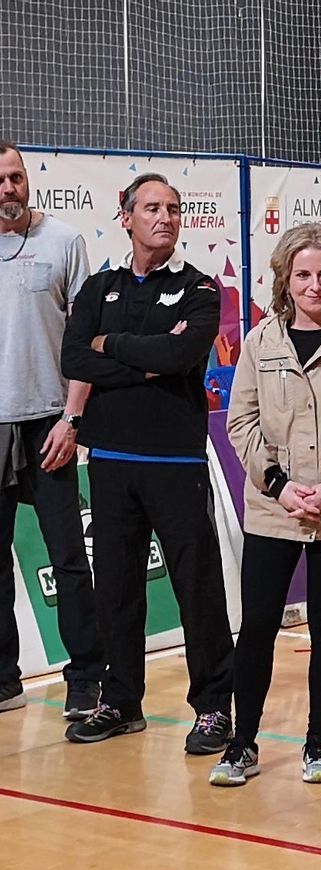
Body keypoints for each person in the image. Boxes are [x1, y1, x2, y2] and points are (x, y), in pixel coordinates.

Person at [209, 223, 321, 787]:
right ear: (285, 280)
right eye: (304, 274)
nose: (315, 286)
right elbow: (240, 421)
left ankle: (318, 744)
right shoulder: (261, 340)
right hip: (273, 507)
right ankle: (242, 745)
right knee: (259, 624)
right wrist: (280, 485)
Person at [59, 172, 235, 753]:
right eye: (152, 208)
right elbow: (74, 356)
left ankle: (212, 708)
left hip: (176, 462)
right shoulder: (98, 287)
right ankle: (120, 700)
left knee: (198, 588)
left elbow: (183, 354)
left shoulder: (201, 288)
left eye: (174, 208)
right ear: (126, 216)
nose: (165, 217)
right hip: (109, 461)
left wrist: (114, 347)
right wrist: (145, 359)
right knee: (115, 588)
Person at [0, 139, 104, 720]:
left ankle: (86, 675)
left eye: (16, 177)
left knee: (68, 556)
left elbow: (86, 341)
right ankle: (2, 678)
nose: (9, 189)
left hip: (49, 421)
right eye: (0, 180)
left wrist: (71, 417)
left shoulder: (64, 242)